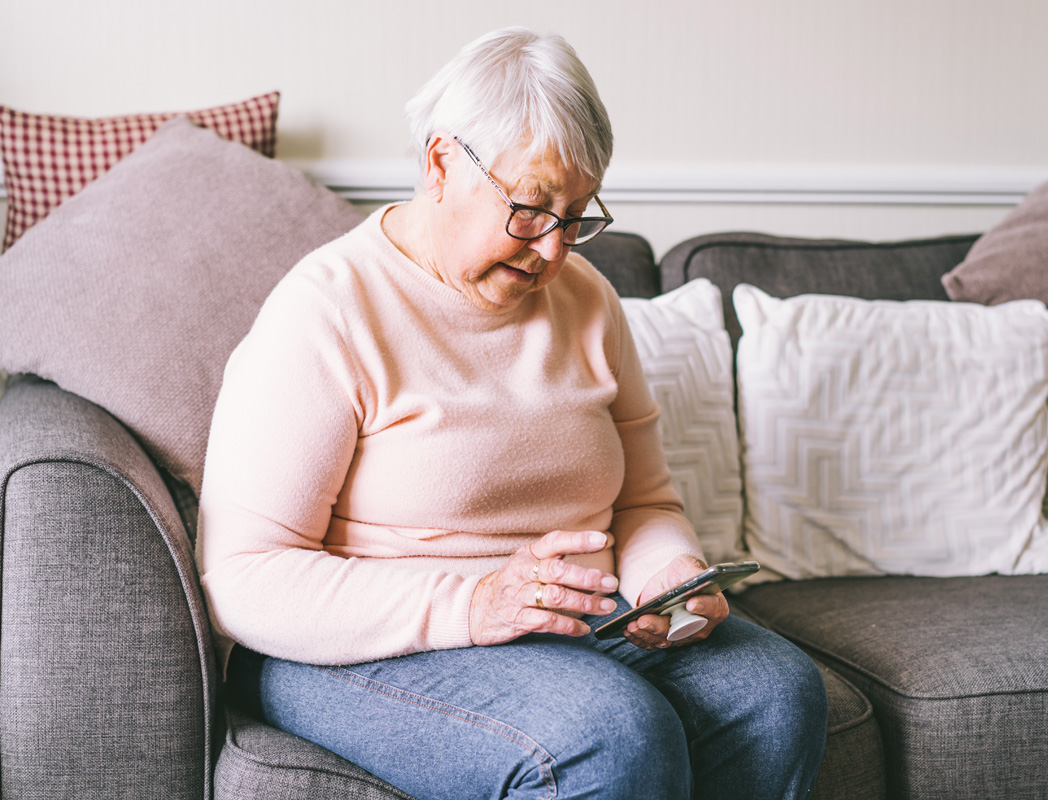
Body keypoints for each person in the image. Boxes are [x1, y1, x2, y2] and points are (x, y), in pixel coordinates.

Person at [198, 26, 827, 800]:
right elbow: (245, 576)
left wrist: (670, 575)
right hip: (359, 646)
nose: (555, 251)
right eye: (531, 208)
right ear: (440, 162)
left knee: (777, 693)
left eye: (577, 215)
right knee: (610, 734)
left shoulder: (589, 299)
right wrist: (472, 603)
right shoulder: (327, 312)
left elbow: (644, 501)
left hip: (573, 622)